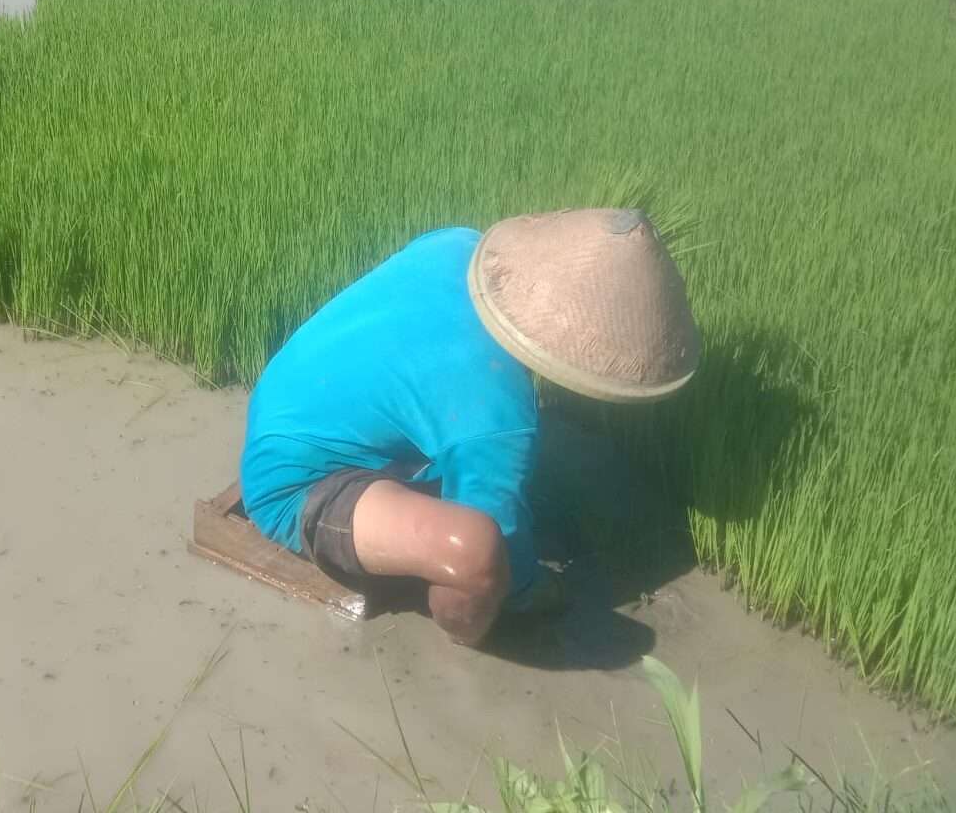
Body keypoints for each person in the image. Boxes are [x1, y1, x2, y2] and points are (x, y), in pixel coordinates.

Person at [239, 208, 700, 646]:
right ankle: (467, 641)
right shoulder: (499, 419)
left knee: (470, 469)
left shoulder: (458, 243)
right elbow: (504, 549)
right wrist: (528, 591)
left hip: (289, 405)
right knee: (475, 554)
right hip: (298, 483)